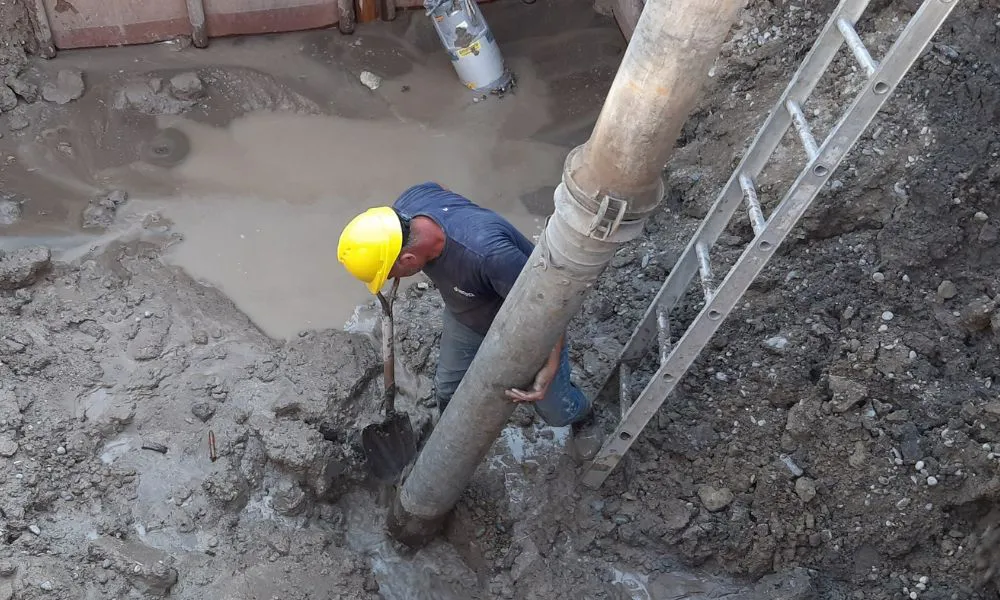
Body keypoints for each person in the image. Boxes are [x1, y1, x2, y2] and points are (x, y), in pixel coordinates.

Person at [337, 182, 591, 428]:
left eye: (392, 274)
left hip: (524, 322)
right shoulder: (410, 203)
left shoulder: (489, 255)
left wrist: (551, 364)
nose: (394, 281)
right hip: (465, 312)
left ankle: (584, 415)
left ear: (408, 258)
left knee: (556, 410)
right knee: (448, 388)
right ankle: (450, 440)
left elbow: (548, 307)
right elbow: (441, 188)